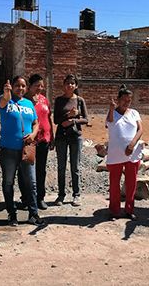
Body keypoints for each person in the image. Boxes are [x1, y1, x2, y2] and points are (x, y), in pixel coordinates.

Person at [0, 76, 44, 226]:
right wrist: (7, 93)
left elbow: (36, 123)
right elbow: (4, 100)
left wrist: (33, 134)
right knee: (8, 182)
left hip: (26, 149)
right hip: (8, 150)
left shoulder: (29, 103)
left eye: (23, 86)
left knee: (31, 182)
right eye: (17, 85)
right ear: (11, 86)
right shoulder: (5, 100)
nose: (21, 88)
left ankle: (33, 213)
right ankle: (12, 214)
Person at [106, 85, 144, 220]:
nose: (126, 103)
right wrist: (111, 109)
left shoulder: (134, 113)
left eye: (129, 100)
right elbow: (110, 122)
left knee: (131, 182)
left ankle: (129, 209)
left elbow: (140, 129)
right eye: (124, 100)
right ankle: (114, 210)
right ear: (118, 99)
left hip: (132, 153)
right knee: (114, 183)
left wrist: (132, 144)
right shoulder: (112, 113)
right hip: (116, 154)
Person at [53, 74, 89, 206]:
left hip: (76, 137)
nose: (70, 85)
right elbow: (56, 120)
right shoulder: (59, 100)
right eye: (67, 83)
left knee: (75, 167)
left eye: (72, 83)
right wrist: (68, 115)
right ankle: (61, 195)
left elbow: (86, 119)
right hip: (61, 137)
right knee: (61, 167)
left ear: (76, 86)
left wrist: (73, 120)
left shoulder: (80, 100)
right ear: (63, 85)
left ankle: (76, 194)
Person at [25, 74, 55, 210]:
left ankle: (40, 197)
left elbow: (49, 118)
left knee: (41, 170)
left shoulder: (44, 100)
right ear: (29, 86)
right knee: (26, 170)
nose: (40, 88)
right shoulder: (24, 100)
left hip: (44, 139)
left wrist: (52, 136)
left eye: (42, 86)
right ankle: (27, 197)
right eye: (37, 85)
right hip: (30, 140)